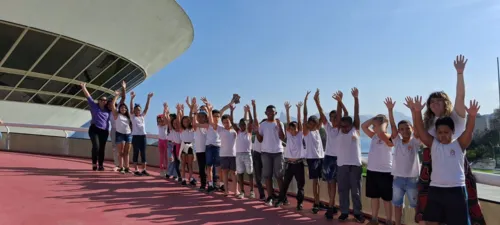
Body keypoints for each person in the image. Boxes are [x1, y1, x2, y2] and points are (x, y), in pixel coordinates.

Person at [415, 55, 486, 225]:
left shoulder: (456, 118)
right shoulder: (430, 124)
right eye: (431, 103)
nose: (433, 105)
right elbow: (421, 136)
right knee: (431, 215)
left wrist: (460, 73)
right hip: (433, 173)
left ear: (445, 102)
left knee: (465, 211)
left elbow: (460, 96)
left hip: (456, 169)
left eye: (437, 102)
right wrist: (415, 112)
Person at [411, 96, 479, 225]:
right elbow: (420, 130)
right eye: (440, 132)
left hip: (456, 190)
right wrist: (417, 112)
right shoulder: (434, 145)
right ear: (436, 133)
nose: (443, 135)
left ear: (452, 131)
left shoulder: (459, 145)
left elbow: (469, 131)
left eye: (446, 132)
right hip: (436, 190)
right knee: (431, 222)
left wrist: (472, 116)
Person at [314, 88, 348, 218]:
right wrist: (317, 101)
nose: (333, 119)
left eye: (335, 117)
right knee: (330, 184)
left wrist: (340, 102)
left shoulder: (341, 129)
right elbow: (321, 114)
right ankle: (331, 206)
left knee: (340, 186)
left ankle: (338, 208)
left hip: (340, 159)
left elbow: (344, 112)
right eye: (331, 117)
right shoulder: (328, 127)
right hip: (328, 158)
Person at [386, 97, 421, 225]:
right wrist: (390, 110)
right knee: (397, 205)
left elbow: (418, 127)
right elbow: (393, 126)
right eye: (402, 129)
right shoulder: (397, 142)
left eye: (407, 128)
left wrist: (413, 111)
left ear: (411, 128)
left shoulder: (415, 142)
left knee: (416, 206)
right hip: (398, 179)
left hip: (412, 179)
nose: (405, 131)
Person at [335, 88, 365, 223]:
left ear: (351, 125)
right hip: (342, 165)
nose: (345, 128)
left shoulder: (355, 129)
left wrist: (356, 99)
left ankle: (358, 213)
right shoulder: (339, 131)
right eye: (342, 126)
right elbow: (338, 115)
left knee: (356, 192)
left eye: (347, 126)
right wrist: (339, 102)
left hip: (355, 165)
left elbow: (356, 113)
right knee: (342, 190)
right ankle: (345, 212)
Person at [199, 96, 238, 193]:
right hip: (209, 147)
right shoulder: (209, 124)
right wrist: (208, 107)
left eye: (218, 116)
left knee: (220, 167)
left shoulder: (221, 127)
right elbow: (205, 121)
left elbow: (224, 108)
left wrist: (232, 102)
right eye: (214, 116)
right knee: (209, 167)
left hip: (218, 147)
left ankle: (221, 185)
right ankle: (211, 185)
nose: (216, 117)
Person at [362, 112, 394, 225]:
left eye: (374, 125)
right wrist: (373, 119)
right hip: (372, 171)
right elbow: (363, 126)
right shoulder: (374, 136)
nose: (372, 127)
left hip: (385, 172)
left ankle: (389, 221)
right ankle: (374, 219)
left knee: (387, 199)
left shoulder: (389, 136)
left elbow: (383, 135)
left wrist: (384, 122)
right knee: (374, 197)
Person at [252, 100, 286, 206]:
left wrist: (280, 127)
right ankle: (270, 197)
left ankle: (282, 197)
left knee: (279, 176)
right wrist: (257, 131)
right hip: (265, 153)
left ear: (275, 113)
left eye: (273, 112)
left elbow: (282, 137)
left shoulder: (279, 123)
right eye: (269, 112)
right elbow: (260, 139)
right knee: (267, 176)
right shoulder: (263, 125)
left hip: (278, 152)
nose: (271, 114)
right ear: (266, 113)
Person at [275, 101, 305, 210]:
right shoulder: (288, 134)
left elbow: (300, 121)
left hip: (299, 164)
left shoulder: (300, 135)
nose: (293, 130)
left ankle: (299, 203)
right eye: (291, 128)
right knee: (285, 184)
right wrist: (287, 110)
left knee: (300, 186)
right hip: (289, 164)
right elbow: (288, 122)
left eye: (295, 128)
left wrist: (298, 109)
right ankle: (281, 200)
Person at [302, 91, 325, 214]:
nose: (311, 125)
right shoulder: (307, 132)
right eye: (309, 123)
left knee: (319, 182)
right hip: (312, 159)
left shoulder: (317, 131)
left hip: (321, 158)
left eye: (313, 123)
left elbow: (322, 117)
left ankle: (318, 201)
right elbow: (305, 115)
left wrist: (317, 101)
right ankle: (315, 203)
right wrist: (306, 100)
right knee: (315, 182)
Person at [80, 82, 110, 171]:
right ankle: (94, 164)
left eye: (105, 100)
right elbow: (88, 96)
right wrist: (83, 87)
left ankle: (100, 165)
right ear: (99, 101)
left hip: (104, 131)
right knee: (96, 146)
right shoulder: (94, 106)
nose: (104, 101)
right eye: (102, 100)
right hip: (94, 129)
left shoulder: (108, 110)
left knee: (102, 148)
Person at [233, 104, 255, 199]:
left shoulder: (248, 132)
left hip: (247, 154)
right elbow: (232, 121)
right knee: (240, 173)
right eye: (241, 124)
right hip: (238, 155)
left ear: (246, 125)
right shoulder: (238, 132)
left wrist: (249, 111)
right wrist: (231, 111)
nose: (242, 126)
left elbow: (252, 121)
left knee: (250, 173)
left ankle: (252, 191)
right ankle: (242, 191)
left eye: (244, 125)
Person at [129, 91, 153, 176]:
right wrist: (132, 98)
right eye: (136, 110)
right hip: (135, 137)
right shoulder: (132, 117)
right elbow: (131, 108)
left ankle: (144, 169)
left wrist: (148, 98)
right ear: (134, 110)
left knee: (143, 153)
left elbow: (146, 108)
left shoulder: (142, 116)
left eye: (139, 110)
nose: (138, 111)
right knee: (136, 152)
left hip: (143, 137)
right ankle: (136, 170)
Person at [110, 90, 133, 174]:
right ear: (119, 109)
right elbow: (113, 105)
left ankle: (127, 168)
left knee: (127, 152)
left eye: (124, 108)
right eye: (122, 108)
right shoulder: (116, 115)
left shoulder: (128, 116)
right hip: (119, 134)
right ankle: (121, 167)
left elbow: (132, 110)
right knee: (121, 152)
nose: (123, 109)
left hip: (128, 134)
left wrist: (131, 98)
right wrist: (116, 96)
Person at [108, 81, 126, 171]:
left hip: (121, 130)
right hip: (114, 131)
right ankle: (117, 165)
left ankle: (122, 165)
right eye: (109, 104)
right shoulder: (108, 112)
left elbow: (123, 98)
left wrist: (123, 88)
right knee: (115, 148)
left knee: (122, 148)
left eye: (112, 103)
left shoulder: (118, 108)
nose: (111, 105)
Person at [177, 101, 197, 186]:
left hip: (191, 146)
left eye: (187, 121)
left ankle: (191, 178)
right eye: (183, 121)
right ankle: (183, 178)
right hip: (183, 146)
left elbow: (190, 117)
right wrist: (179, 110)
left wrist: (191, 108)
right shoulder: (181, 129)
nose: (185, 122)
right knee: (183, 164)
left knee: (190, 164)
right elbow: (179, 118)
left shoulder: (192, 128)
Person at [192, 101, 209, 191]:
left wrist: (207, 108)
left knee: (210, 168)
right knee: (202, 168)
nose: (201, 118)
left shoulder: (208, 125)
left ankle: (211, 184)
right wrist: (195, 112)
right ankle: (203, 184)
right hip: (199, 150)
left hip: (208, 149)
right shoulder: (196, 127)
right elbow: (194, 124)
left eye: (203, 116)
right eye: (199, 116)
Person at [252, 119, 267, 201]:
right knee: (258, 177)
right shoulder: (258, 130)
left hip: (266, 154)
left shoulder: (268, 133)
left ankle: (271, 195)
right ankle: (262, 194)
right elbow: (251, 121)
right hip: (257, 154)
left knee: (268, 176)